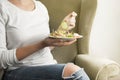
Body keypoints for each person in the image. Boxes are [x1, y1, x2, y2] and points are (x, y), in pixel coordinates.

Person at [0, 0, 90, 80]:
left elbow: (46, 47)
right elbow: (1, 59)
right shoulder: (2, 7)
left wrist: (62, 30)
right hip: (17, 71)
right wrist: (42, 44)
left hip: (49, 66)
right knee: (73, 71)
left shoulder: (40, 7)